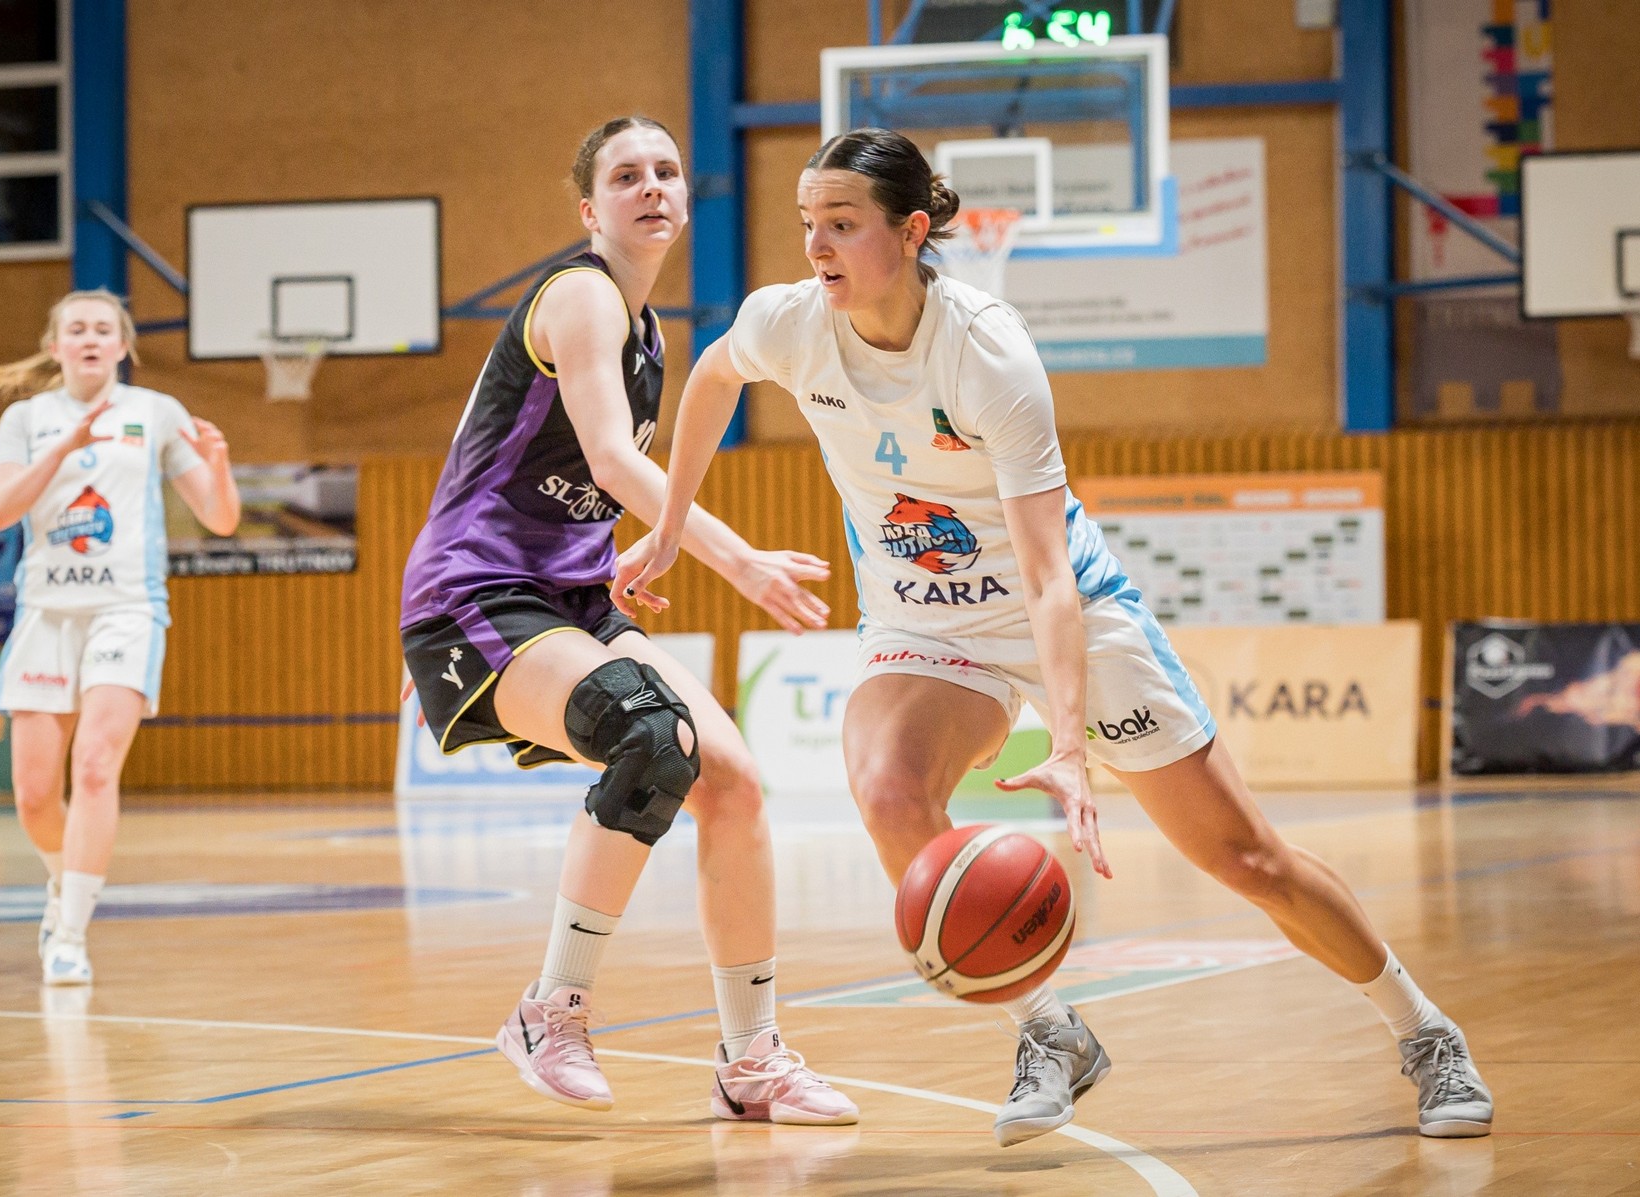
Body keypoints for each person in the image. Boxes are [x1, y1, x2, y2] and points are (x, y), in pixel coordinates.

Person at [614, 127, 1493, 1144]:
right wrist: (671, 524)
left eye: (842, 225)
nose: (817, 246)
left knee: (1248, 860)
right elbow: (715, 375)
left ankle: (1425, 1032)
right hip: (923, 622)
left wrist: (1067, 746)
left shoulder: (987, 352)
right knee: (890, 792)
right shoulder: (791, 322)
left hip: (1067, 611)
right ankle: (1049, 1030)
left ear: (911, 231)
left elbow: (1046, 578)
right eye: (809, 223)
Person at [398, 115, 856, 1125]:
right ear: (589, 209)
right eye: (626, 175)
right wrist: (737, 559)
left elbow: (568, 478)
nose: (651, 185)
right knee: (653, 736)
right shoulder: (581, 296)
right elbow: (609, 460)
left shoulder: (648, 335)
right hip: (475, 595)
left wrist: (625, 549)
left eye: (666, 171)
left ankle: (752, 1059)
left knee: (732, 781)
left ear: (687, 199)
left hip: (568, 594)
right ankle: (548, 1011)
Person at [0, 289, 240, 986]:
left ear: (123, 346)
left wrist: (217, 466)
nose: (90, 338)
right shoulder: (25, 419)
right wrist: (63, 448)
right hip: (45, 611)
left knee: (95, 765)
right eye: (77, 329)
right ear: (55, 345)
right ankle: (61, 881)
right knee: (35, 795)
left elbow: (219, 518)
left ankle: (70, 934)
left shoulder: (155, 412)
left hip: (126, 608)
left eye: (103, 329)